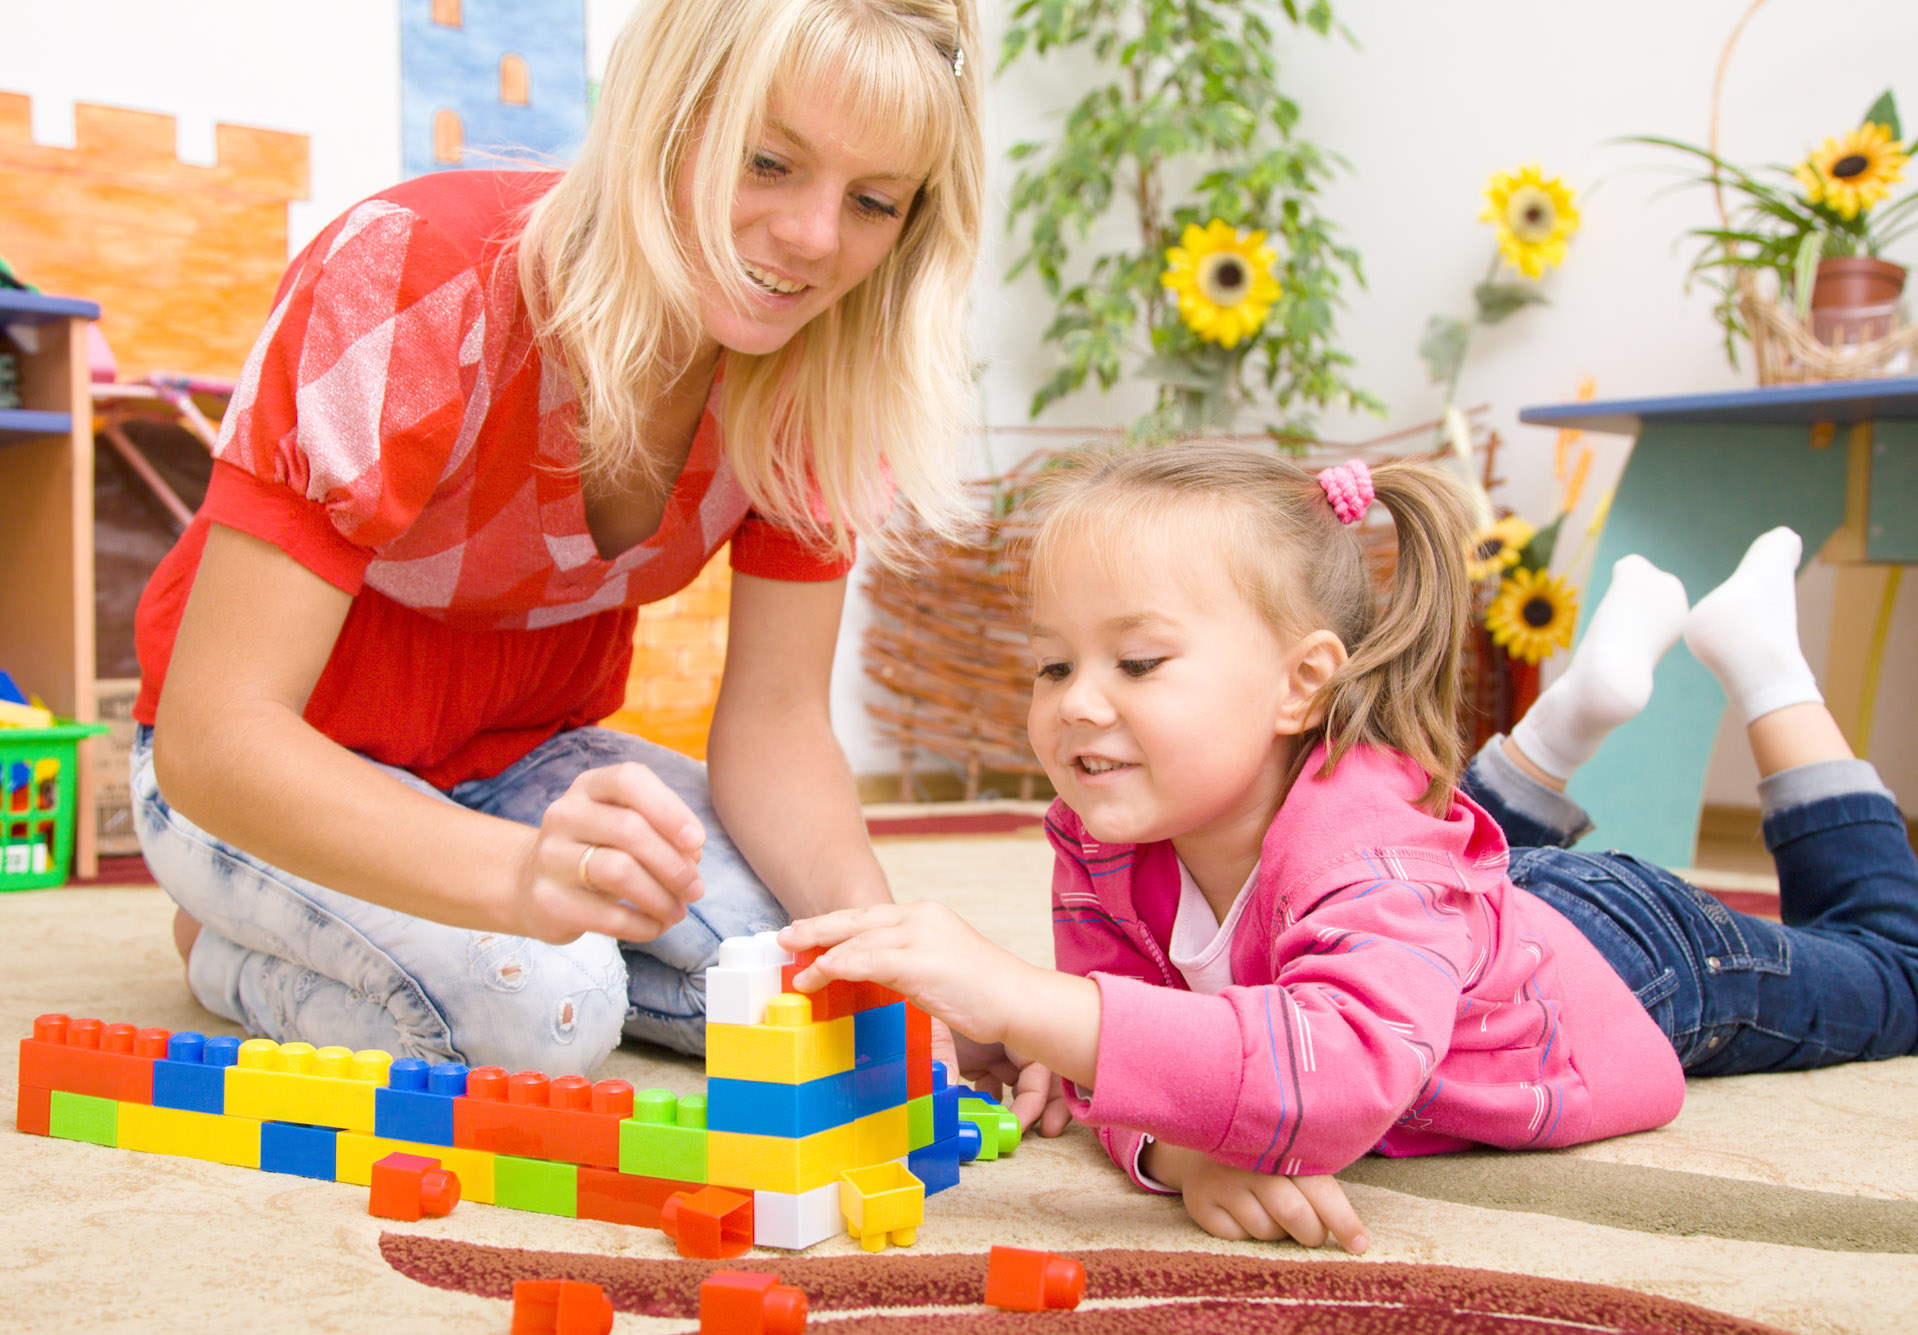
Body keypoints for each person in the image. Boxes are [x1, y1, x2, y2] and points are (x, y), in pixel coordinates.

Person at [780, 442, 1918, 1255]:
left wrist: (1022, 998)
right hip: (1434, 915)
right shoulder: (1104, 830)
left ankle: (1767, 665)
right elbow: (1123, 1060)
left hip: (1621, 960)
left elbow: (1338, 1078)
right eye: (1052, 665)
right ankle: (1565, 726)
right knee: (1396, 875)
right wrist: (1182, 1154)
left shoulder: (1365, 845)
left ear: (1301, 684)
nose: (1077, 704)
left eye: (1135, 664)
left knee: (1894, 967)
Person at [129, 0, 985, 1078]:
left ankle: (425, 941)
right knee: (545, 1012)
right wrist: (515, 880)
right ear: (661, 118)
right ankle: (227, 948)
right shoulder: (414, 272)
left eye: (872, 202)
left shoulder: (825, 377)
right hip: (281, 769)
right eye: (766, 163)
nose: (815, 239)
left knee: (811, 999)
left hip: (531, 758)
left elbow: (775, 724)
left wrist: (889, 959)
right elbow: (216, 739)